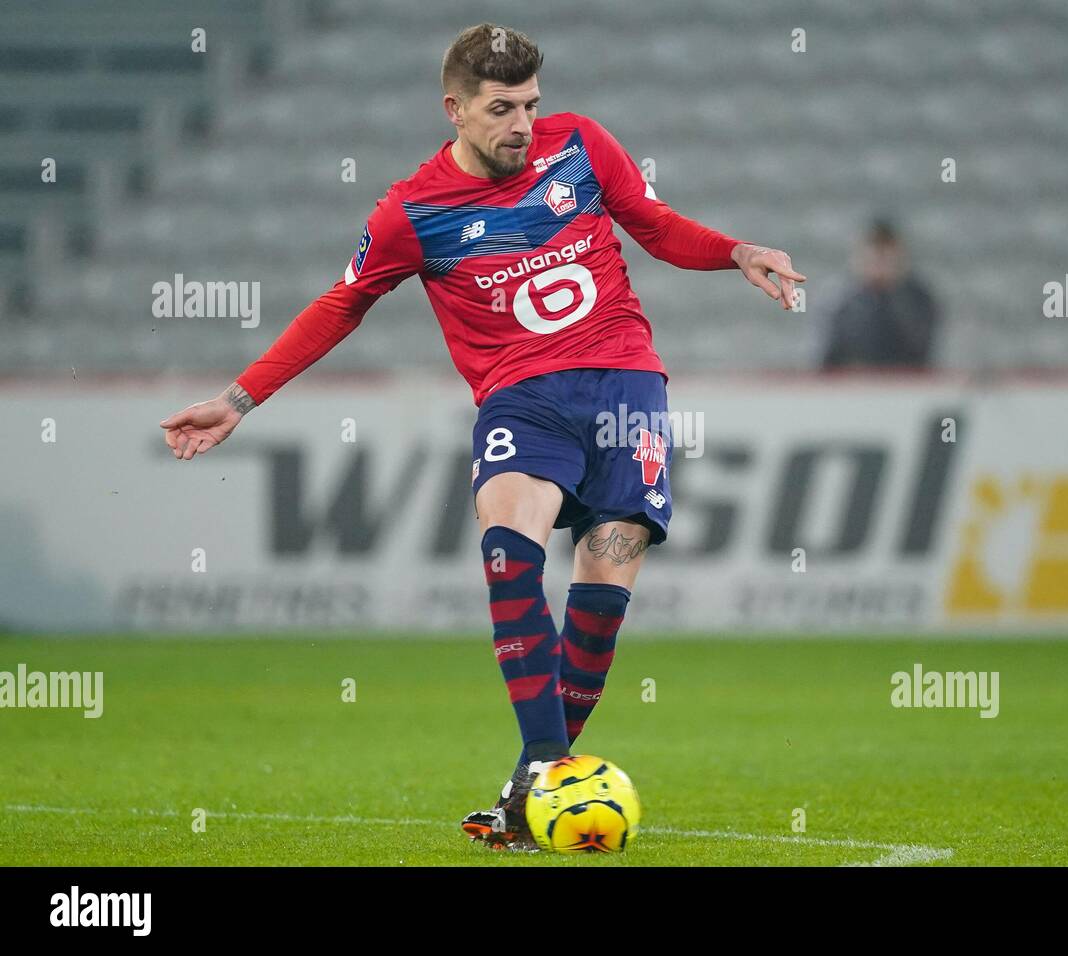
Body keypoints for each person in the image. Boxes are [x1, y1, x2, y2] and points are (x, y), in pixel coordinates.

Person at [158, 23, 804, 850]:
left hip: (626, 387)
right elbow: (340, 304)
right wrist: (239, 398)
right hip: (521, 402)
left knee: (602, 594)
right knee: (509, 553)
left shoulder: (581, 145)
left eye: (530, 104)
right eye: (502, 109)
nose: (522, 124)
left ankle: (525, 791)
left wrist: (736, 251)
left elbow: (652, 221)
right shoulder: (412, 211)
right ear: (454, 109)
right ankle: (545, 768)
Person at [820, 219, 938, 369]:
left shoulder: (920, 299)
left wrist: (892, 293)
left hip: (904, 385)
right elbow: (827, 356)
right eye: (873, 255)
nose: (879, 263)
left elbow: (921, 349)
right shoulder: (839, 301)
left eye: (886, 256)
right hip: (852, 385)